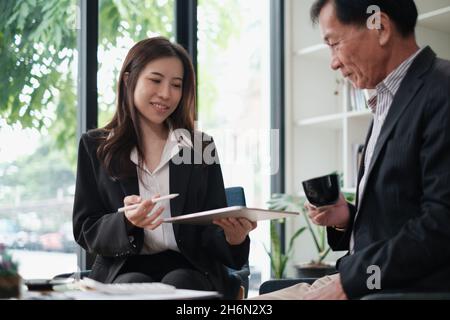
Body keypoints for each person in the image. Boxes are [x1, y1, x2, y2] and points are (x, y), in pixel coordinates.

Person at [254, 0, 450, 299]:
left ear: (380, 27)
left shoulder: (441, 90)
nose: (332, 62)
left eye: (334, 43)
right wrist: (348, 219)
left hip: (394, 288)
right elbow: (400, 214)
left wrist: (352, 282)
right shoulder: (387, 100)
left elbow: (440, 225)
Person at [72, 37, 256, 299]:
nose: (166, 94)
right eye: (156, 80)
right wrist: (126, 221)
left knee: (179, 281)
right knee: (131, 284)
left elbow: (212, 232)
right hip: (123, 266)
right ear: (128, 80)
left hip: (191, 267)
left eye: (176, 85)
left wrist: (234, 238)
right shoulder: (96, 146)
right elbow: (85, 228)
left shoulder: (199, 146)